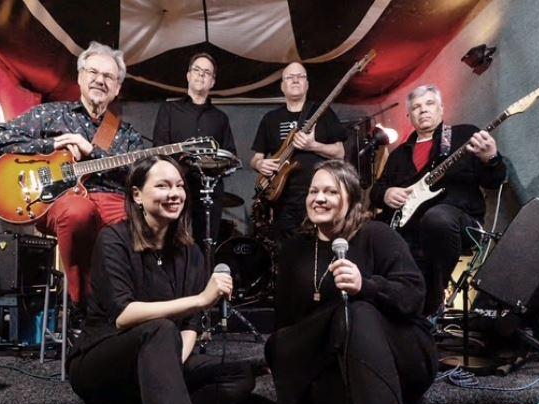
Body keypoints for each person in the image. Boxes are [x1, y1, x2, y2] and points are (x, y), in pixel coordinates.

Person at [67, 155, 253, 404]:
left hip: (154, 370)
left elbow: (189, 327)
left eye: (180, 186)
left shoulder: (191, 253)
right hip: (103, 365)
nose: (175, 193)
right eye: (163, 185)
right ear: (137, 195)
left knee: (238, 373)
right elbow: (123, 315)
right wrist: (201, 299)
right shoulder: (113, 240)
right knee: (159, 328)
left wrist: (169, 375)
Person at [265, 159, 437, 404]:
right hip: (341, 364)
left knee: (354, 313)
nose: (319, 198)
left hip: (404, 353)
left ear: (351, 199)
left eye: (330, 191)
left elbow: (414, 296)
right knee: (283, 344)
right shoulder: (295, 251)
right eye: (314, 191)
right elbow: (288, 324)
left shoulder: (376, 234)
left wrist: (367, 286)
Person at [0, 41, 144, 309]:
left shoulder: (128, 135)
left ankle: (129, 305)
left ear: (117, 88)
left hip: (113, 204)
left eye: (108, 76)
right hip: (59, 199)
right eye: (93, 72)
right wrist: (52, 144)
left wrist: (92, 152)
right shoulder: (52, 114)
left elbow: (140, 176)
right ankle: (83, 305)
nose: (100, 80)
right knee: (77, 212)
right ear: (80, 77)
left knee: (143, 220)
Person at [370, 84, 506, 316]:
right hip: (409, 228)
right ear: (409, 116)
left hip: (458, 222)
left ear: (441, 109)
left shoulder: (463, 136)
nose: (423, 110)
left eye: (429, 104)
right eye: (416, 107)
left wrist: (491, 159)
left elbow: (495, 181)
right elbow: (376, 192)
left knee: (437, 218)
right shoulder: (398, 155)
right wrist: (386, 193)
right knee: (371, 231)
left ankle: (434, 299)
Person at [250, 62, 347, 240]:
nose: (295, 80)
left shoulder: (323, 113)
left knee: (316, 244)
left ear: (307, 84)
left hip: (317, 195)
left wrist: (313, 146)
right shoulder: (270, 119)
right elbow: (256, 158)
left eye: (300, 76)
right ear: (282, 86)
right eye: (290, 77)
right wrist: (260, 164)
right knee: (285, 249)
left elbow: (340, 152)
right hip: (282, 199)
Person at [152, 53, 237, 252]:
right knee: (171, 246)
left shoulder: (220, 118)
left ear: (213, 81)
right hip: (175, 191)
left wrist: (213, 165)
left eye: (207, 72)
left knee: (205, 249)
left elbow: (230, 155)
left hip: (209, 193)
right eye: (197, 70)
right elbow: (159, 150)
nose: (201, 75)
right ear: (188, 75)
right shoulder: (169, 110)